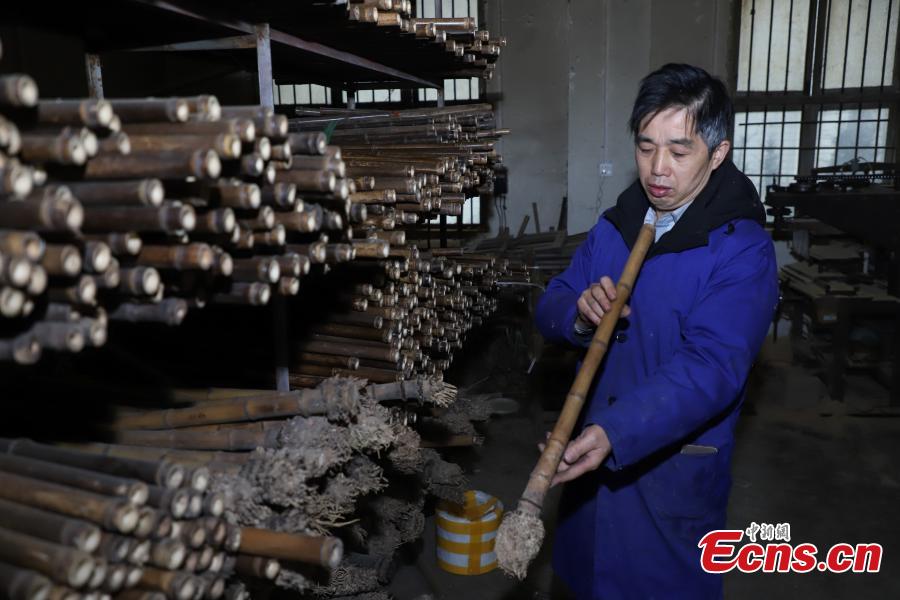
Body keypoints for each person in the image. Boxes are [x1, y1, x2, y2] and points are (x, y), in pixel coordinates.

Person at [534, 63, 779, 599]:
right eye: (646, 148)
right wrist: (578, 313)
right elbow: (549, 302)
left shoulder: (741, 249)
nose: (657, 169)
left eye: (679, 150)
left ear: (718, 154)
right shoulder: (616, 226)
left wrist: (615, 432)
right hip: (590, 476)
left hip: (667, 475)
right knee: (580, 583)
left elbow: (712, 367)